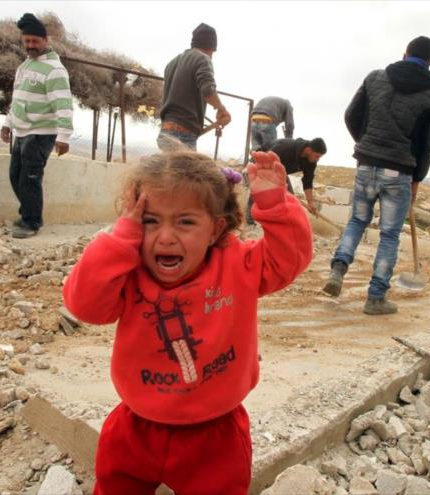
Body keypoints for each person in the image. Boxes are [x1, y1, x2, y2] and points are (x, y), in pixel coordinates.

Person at [62, 150, 312, 494]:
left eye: (185, 222)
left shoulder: (238, 265)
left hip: (216, 437)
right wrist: (121, 238)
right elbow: (85, 305)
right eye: (150, 221)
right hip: (135, 428)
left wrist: (274, 206)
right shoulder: (128, 270)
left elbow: (289, 259)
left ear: (215, 229)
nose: (165, 237)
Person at [323, 36, 430, 315]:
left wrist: (366, 144)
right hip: (399, 171)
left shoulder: (375, 77)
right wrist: (417, 178)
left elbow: (351, 115)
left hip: (366, 164)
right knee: (389, 235)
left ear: (404, 53)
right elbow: (429, 142)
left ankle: (338, 269)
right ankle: (375, 297)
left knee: (356, 220)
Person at [1, 13, 73, 239]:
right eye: (27, 41)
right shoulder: (25, 66)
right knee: (15, 176)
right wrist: (7, 123)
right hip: (22, 132)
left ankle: (32, 222)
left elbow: (63, 104)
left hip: (41, 134)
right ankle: (27, 214)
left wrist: (64, 136)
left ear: (45, 41)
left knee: (29, 178)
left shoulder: (54, 70)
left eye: (35, 41)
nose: (31, 45)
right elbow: (18, 99)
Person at [157, 23, 231, 151]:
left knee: (170, 171)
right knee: (185, 171)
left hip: (165, 131)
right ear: (212, 47)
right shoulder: (203, 59)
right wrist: (222, 109)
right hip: (182, 134)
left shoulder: (172, 63)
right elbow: (208, 90)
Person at [246, 137, 326, 224]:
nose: (318, 159)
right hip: (262, 162)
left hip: (280, 171)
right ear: (309, 150)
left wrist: (310, 202)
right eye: (317, 156)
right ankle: (250, 219)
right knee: (260, 188)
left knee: (291, 198)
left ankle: (285, 222)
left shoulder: (311, 162)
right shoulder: (286, 148)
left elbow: (308, 181)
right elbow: (266, 159)